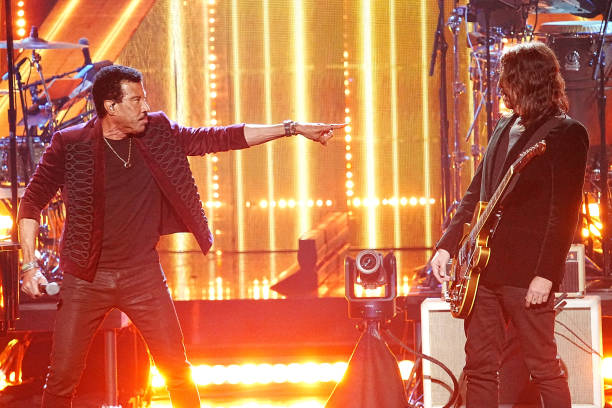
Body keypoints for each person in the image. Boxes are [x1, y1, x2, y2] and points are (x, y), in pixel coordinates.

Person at [18, 64, 345, 408]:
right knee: (62, 378)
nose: (145, 107)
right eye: (136, 100)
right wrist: (29, 266)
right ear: (110, 107)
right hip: (85, 279)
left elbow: (219, 137)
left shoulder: (157, 131)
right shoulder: (71, 144)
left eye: (145, 99)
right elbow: (31, 202)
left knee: (176, 372)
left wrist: (291, 128)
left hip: (142, 276)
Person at [431, 41, 588, 407]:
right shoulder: (504, 124)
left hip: (527, 271)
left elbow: (565, 212)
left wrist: (546, 274)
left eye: (507, 79)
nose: (499, 86)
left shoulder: (566, 133)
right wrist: (447, 246)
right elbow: (476, 192)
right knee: (480, 367)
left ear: (528, 82)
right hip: (481, 271)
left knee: (543, 367)